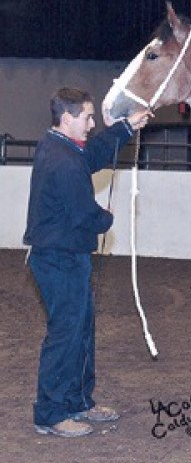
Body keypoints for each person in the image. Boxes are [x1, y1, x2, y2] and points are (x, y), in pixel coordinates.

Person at [23, 87, 153, 437]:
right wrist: (105, 219)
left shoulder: (61, 146)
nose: (93, 123)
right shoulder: (62, 160)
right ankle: (50, 414)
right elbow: (84, 213)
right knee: (66, 333)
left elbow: (93, 154)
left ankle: (78, 402)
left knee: (79, 330)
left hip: (65, 256)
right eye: (87, 117)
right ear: (67, 119)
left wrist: (126, 127)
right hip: (59, 258)